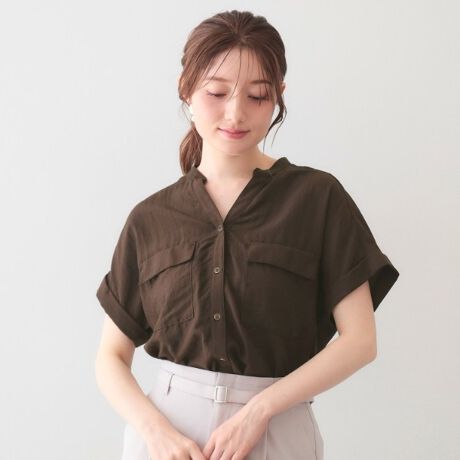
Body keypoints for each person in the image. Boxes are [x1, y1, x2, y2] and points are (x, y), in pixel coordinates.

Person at [94, 9, 399, 460]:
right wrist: (154, 431)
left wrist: (261, 409)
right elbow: (110, 358)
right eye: (217, 92)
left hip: (276, 427)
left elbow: (360, 341)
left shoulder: (317, 198)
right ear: (186, 89)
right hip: (168, 437)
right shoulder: (150, 218)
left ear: (278, 96)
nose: (236, 113)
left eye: (257, 96)